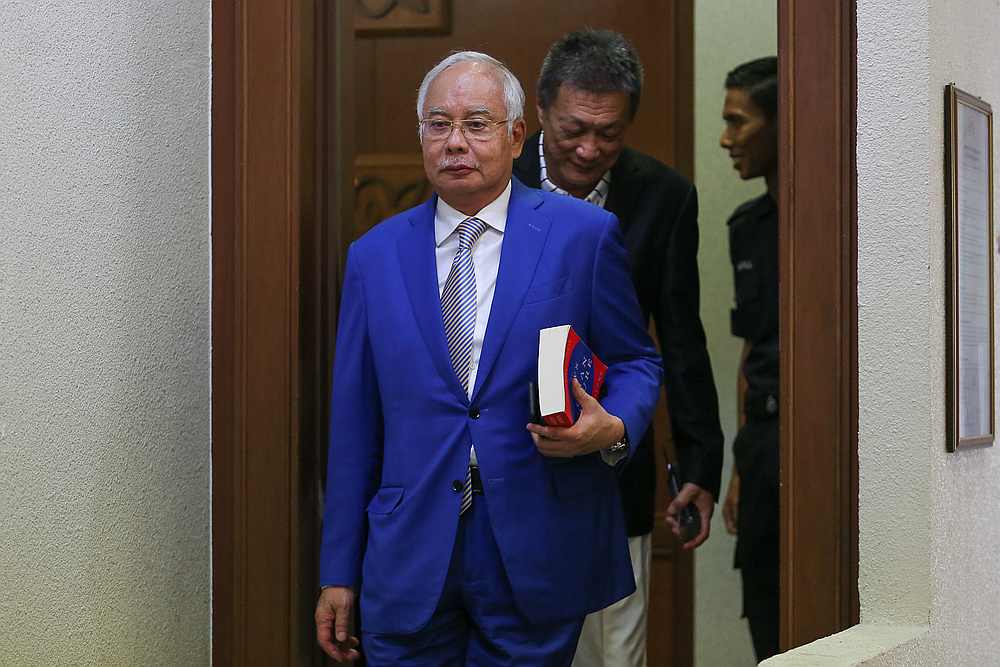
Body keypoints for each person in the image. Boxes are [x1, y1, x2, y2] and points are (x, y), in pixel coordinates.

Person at [314, 51, 663, 666]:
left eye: (476, 124)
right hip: (409, 550)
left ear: (516, 135)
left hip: (535, 540)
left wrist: (613, 427)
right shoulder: (373, 256)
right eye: (438, 124)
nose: (455, 142)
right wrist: (338, 571)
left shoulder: (582, 236)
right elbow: (354, 424)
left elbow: (637, 360)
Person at [513, 29, 724, 666]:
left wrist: (699, 464)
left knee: (613, 651)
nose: (589, 149)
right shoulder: (493, 181)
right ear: (541, 110)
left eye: (609, 133)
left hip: (612, 456)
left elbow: (680, 335)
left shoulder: (664, 196)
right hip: (507, 453)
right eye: (573, 129)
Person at [717, 56, 780, 663]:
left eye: (739, 122)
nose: (725, 138)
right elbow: (752, 347)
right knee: (766, 613)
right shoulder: (749, 226)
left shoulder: (833, 221)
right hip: (762, 442)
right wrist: (740, 463)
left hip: (816, 443)